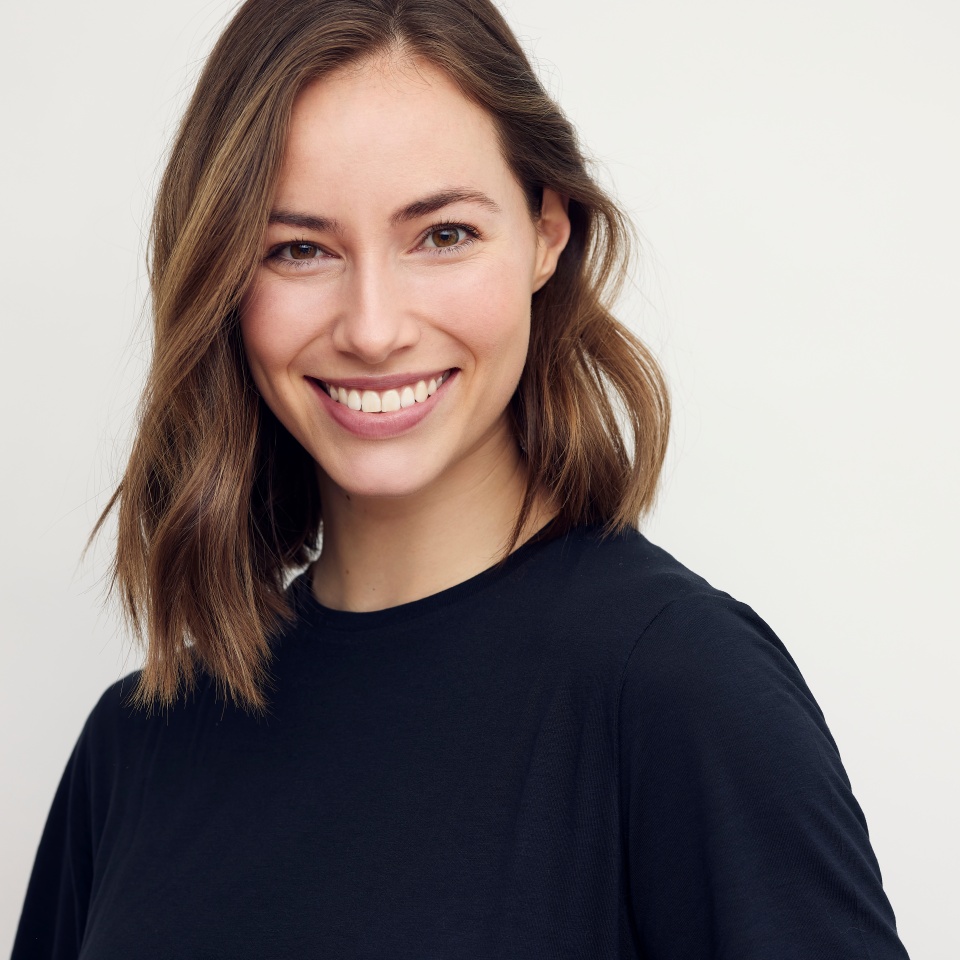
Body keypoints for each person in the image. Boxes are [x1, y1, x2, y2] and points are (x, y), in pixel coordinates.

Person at [12, 0, 910, 957]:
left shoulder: (679, 694)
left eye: (441, 235)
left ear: (547, 232)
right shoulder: (138, 744)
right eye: (298, 249)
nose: (372, 327)